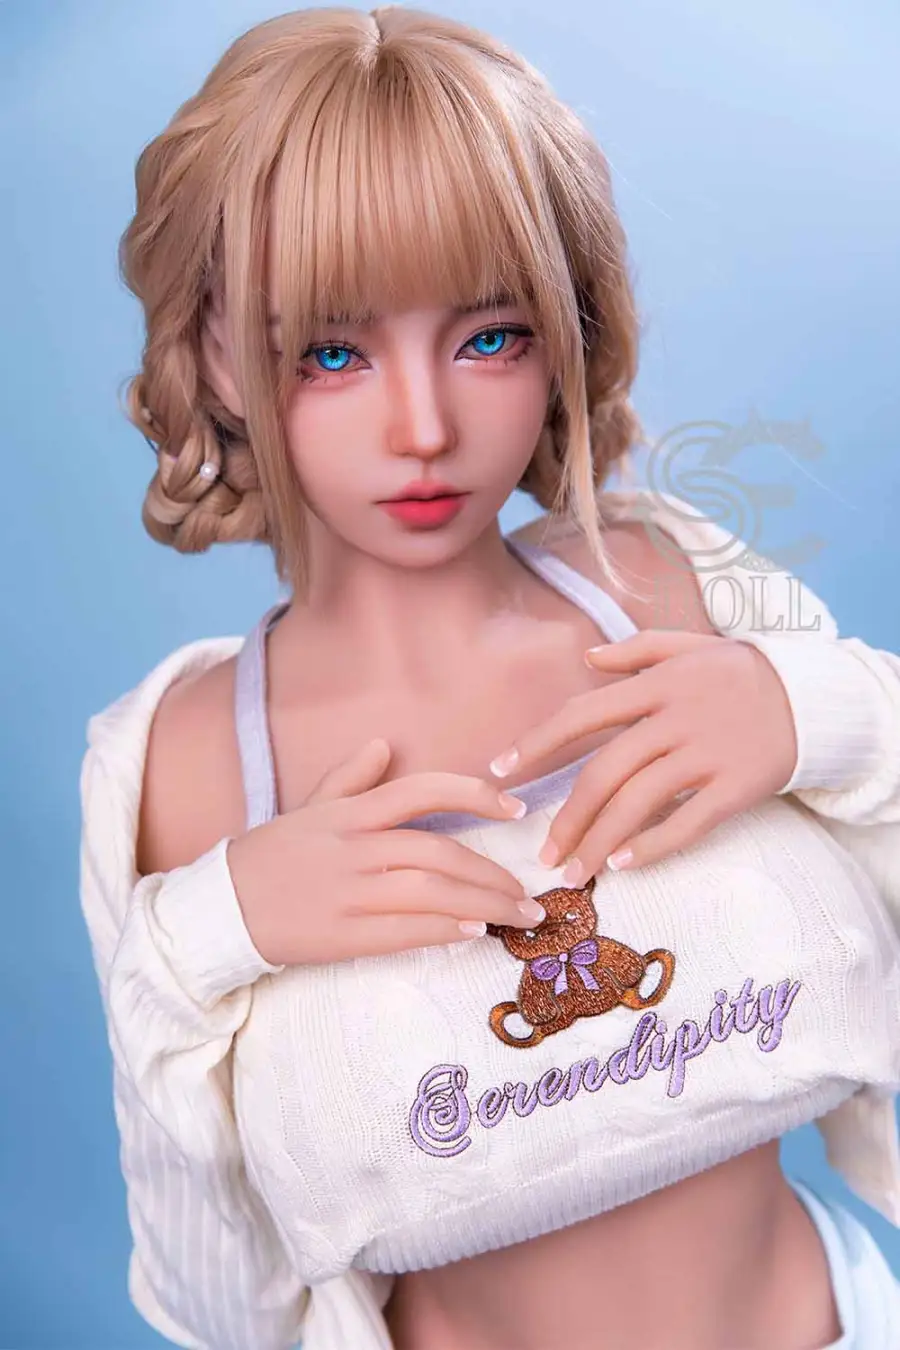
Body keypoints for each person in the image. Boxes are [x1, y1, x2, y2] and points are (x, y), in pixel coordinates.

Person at [79, 8, 900, 1348]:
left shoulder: (669, 581)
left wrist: (820, 715)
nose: (425, 428)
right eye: (333, 351)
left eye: (490, 337)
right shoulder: (181, 765)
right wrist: (201, 940)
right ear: (222, 355)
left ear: (567, 324)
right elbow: (222, 1305)